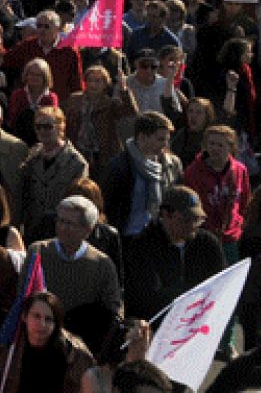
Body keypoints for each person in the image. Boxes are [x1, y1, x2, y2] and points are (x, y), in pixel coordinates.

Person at [27, 197, 124, 348]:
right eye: (61, 221)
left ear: (87, 230)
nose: (63, 228)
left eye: (70, 224)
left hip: (80, 347)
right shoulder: (38, 252)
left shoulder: (102, 264)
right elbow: (24, 297)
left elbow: (113, 311)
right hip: (38, 340)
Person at [121, 186, 225, 321]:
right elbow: (148, 299)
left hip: (200, 323)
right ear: (166, 215)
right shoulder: (142, 246)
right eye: (186, 219)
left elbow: (221, 285)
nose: (193, 225)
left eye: (197, 219)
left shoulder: (208, 244)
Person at [0, 291, 93, 393]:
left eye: (48, 319)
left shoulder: (74, 355)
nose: (42, 325)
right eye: (36, 316)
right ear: (25, 317)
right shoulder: (6, 351)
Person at [100, 112, 183, 239]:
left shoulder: (171, 164)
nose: (165, 145)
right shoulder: (119, 166)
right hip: (127, 237)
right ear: (142, 137)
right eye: (160, 139)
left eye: (167, 140)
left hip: (158, 236)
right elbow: (107, 206)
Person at [181, 123, 251, 260]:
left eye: (220, 145)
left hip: (232, 236)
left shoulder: (239, 170)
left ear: (230, 147)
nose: (215, 148)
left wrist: (240, 224)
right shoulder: (193, 172)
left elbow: (245, 201)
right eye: (211, 144)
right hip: (204, 235)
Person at [19, 108, 89, 238]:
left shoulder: (77, 163)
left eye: (47, 127)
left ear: (61, 127)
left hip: (61, 231)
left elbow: (78, 203)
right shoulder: (32, 158)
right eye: (38, 127)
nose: (42, 131)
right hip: (33, 230)